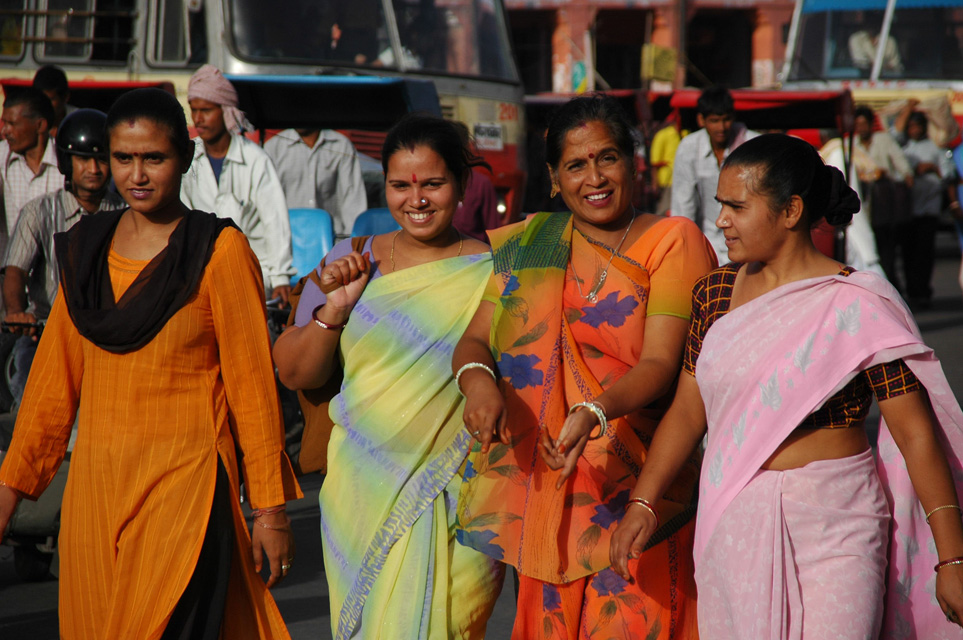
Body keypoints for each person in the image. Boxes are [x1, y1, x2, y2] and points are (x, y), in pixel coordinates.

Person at [610, 133, 963, 638]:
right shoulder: (715, 294)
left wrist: (952, 557)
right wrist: (642, 503)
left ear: (791, 210)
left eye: (737, 207)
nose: (721, 220)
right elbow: (688, 413)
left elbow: (915, 434)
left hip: (839, 521)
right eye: (720, 206)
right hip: (735, 515)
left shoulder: (857, 302)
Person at [0, 88, 302, 639]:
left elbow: (254, 392)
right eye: (123, 158)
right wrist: (10, 490)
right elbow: (51, 386)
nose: (136, 175)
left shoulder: (218, 251)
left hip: (185, 487)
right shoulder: (85, 251)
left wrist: (270, 511)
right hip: (96, 492)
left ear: (185, 157)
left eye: (154, 158)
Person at [454, 95, 717, 639]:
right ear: (554, 179)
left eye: (607, 158)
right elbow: (475, 339)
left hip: (643, 487)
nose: (594, 178)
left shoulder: (673, 241)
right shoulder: (532, 245)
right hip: (551, 484)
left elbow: (661, 363)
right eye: (576, 165)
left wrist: (594, 411)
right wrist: (478, 384)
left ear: (633, 164)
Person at [273, 114, 504, 639]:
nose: (416, 200)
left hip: (464, 491)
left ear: (461, 184)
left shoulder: (496, 270)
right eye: (401, 186)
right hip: (363, 488)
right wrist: (334, 308)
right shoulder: (351, 258)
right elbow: (294, 371)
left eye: (433, 184)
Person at [2, 108, 126, 406]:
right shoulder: (39, 211)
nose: (93, 169)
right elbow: (15, 270)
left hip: (110, 337)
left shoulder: (126, 213)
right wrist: (17, 311)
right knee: (32, 401)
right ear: (67, 163)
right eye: (83, 159)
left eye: (101, 159)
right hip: (47, 333)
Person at [179, 64, 295, 304]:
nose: (198, 119)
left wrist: (281, 277)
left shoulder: (255, 159)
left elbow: (274, 220)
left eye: (206, 111)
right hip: (199, 270)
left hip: (251, 267)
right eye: (194, 110)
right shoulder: (188, 156)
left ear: (226, 111)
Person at [671, 85, 758, 262]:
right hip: (707, 243)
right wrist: (686, 250)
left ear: (733, 117)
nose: (721, 127)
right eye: (714, 121)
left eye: (726, 120)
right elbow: (683, 204)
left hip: (747, 244)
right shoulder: (689, 147)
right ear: (701, 120)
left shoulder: (752, 144)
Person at [894, 104, 957, 308]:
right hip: (907, 209)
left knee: (924, 253)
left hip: (929, 208)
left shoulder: (935, 148)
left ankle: (923, 291)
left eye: (917, 126)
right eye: (911, 126)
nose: (914, 130)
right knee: (908, 253)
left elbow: (948, 175)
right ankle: (911, 291)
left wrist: (932, 168)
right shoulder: (904, 148)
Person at [853, 104, 914, 291]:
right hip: (864, 206)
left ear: (871, 124)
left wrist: (903, 178)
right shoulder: (852, 144)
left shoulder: (884, 140)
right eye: (858, 125)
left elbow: (903, 167)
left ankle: (890, 286)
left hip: (885, 203)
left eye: (864, 124)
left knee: (887, 248)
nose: (861, 128)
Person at [263, 128, 367, 235]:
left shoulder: (341, 145)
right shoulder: (274, 147)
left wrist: (352, 241)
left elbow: (352, 198)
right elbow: (266, 202)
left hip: (331, 236)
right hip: (288, 236)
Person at [0, 87, 60, 258]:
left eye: (12, 124)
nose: (5, 132)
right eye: (4, 123)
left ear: (40, 125)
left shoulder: (65, 165)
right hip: (11, 267)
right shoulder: (3, 156)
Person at [649, 113, 687, 216]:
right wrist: (655, 183)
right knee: (663, 210)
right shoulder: (663, 135)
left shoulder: (686, 134)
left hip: (684, 180)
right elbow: (655, 163)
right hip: (667, 181)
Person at [32, 64, 77, 134]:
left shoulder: (79, 120)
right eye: (40, 100)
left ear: (65, 97)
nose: (45, 105)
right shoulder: (27, 120)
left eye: (50, 100)